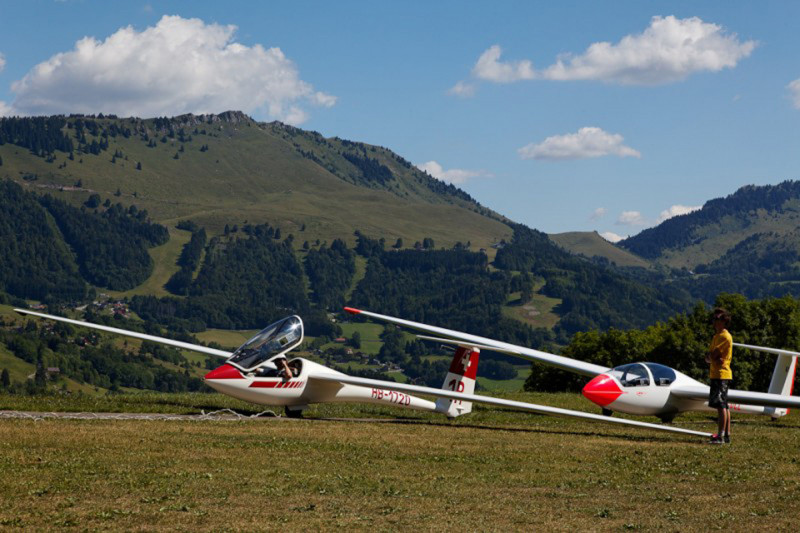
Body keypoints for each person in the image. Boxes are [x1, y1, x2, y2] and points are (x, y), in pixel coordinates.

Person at [705, 308, 733, 444]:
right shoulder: (716, 336)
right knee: (724, 405)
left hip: (721, 374)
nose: (714, 321)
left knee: (721, 405)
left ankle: (721, 436)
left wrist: (711, 357)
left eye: (717, 319)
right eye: (714, 318)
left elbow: (712, 355)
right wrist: (711, 357)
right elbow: (710, 357)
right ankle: (726, 434)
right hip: (718, 373)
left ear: (724, 321)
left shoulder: (723, 336)